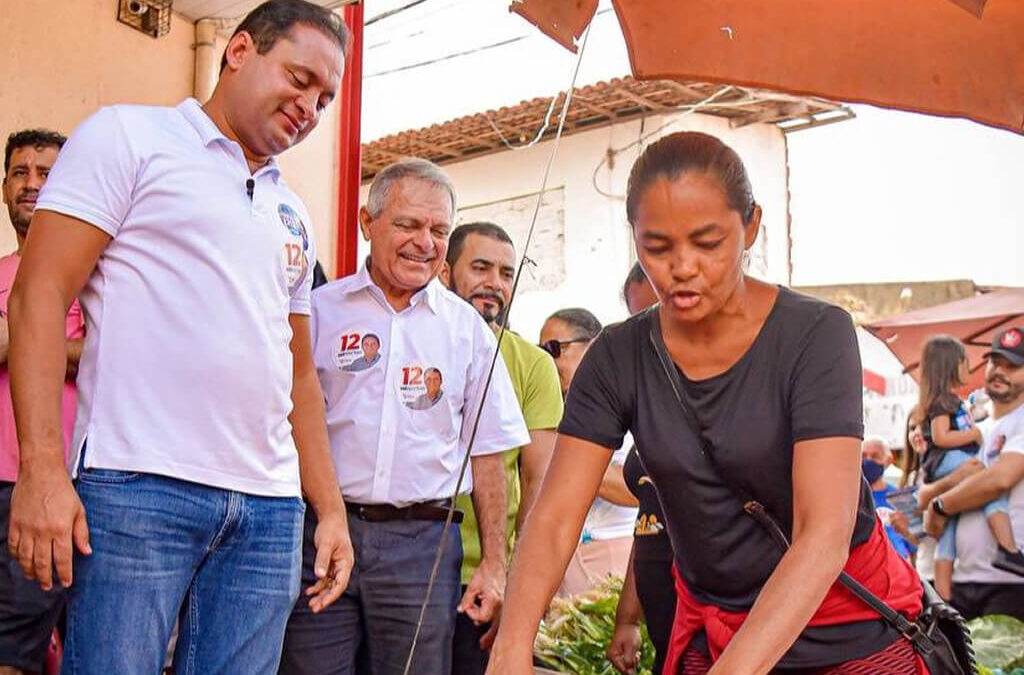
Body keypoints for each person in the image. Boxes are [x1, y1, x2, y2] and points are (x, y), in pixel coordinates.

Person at [487, 132, 926, 675]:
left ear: (752, 226)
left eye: (707, 242)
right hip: (713, 630)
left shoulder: (816, 334)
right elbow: (554, 517)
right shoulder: (618, 356)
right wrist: (511, 649)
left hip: (842, 626)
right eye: (657, 247)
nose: (683, 267)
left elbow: (824, 534)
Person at [5, 3, 354, 673]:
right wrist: (42, 471)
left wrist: (328, 509)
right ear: (241, 50)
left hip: (269, 509)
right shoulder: (128, 136)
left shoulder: (291, 209)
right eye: (299, 77)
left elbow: (299, 372)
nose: (310, 107)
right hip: (138, 486)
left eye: (326, 97)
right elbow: (39, 295)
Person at [279, 159, 528, 675]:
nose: (425, 242)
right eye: (408, 225)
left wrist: (496, 567)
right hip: (322, 533)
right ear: (369, 224)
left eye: (439, 230)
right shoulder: (320, 312)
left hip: (422, 548)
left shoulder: (468, 331)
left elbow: (488, 456)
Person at [440, 221, 563, 675]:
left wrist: (518, 583)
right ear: (445, 272)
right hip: (407, 569)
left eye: (507, 273)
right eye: (480, 267)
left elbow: (539, 485)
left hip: (483, 582)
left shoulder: (533, 366)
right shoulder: (412, 344)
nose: (495, 282)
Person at [0, 129, 80, 675]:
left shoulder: (94, 275)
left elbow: (110, 353)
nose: (32, 184)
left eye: (46, 173)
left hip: (65, 481)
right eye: (20, 172)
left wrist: (17, 339)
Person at [921, 328, 1024, 619]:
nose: (999, 371)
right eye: (995, 362)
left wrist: (941, 504)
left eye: (1012, 366)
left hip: (1011, 585)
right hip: (961, 581)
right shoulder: (976, 430)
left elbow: (999, 479)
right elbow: (923, 497)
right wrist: (945, 490)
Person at [539, 308, 637, 598]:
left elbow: (640, 490)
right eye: (540, 350)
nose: (546, 360)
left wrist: (576, 463)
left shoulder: (626, 401)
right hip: (564, 558)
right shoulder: (554, 408)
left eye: (554, 349)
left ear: (592, 344)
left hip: (612, 555)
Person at [607, 262, 675, 675]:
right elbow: (648, 522)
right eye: (640, 320)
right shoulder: (650, 405)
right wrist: (628, 617)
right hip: (668, 630)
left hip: (716, 629)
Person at [861, 438, 916, 560]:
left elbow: (915, 546)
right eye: (863, 456)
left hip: (898, 569)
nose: (868, 461)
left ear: (888, 460)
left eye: (875, 456)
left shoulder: (901, 498)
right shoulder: (852, 500)